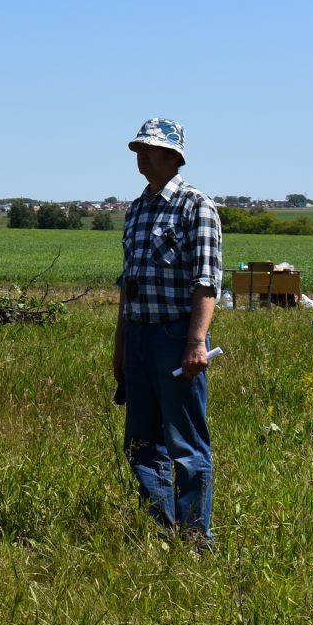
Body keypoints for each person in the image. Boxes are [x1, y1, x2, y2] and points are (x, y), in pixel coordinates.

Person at [113, 117, 222, 542]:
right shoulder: (136, 211)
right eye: (139, 148)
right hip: (139, 336)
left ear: (173, 156)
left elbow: (207, 281)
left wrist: (196, 342)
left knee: (186, 446)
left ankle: (196, 540)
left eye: (150, 148)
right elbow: (128, 285)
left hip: (177, 337)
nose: (142, 155)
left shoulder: (196, 206)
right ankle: (162, 532)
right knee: (141, 443)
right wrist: (120, 347)